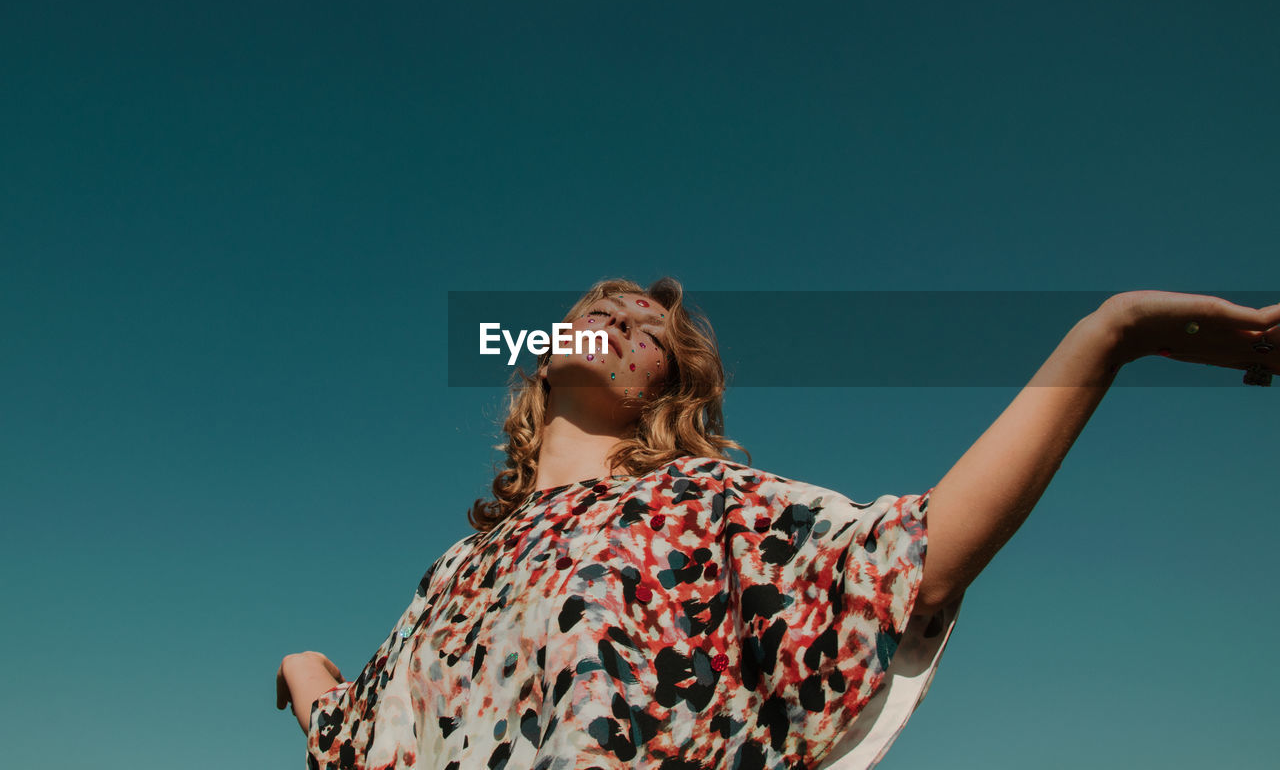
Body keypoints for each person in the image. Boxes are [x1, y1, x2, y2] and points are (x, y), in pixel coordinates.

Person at [276, 278, 1279, 769]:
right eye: (599, 309)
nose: (623, 318)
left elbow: (912, 562)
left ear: (666, 387)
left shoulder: (702, 505)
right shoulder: (454, 569)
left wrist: (1107, 335)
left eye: (651, 329)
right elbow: (359, 734)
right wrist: (301, 663)